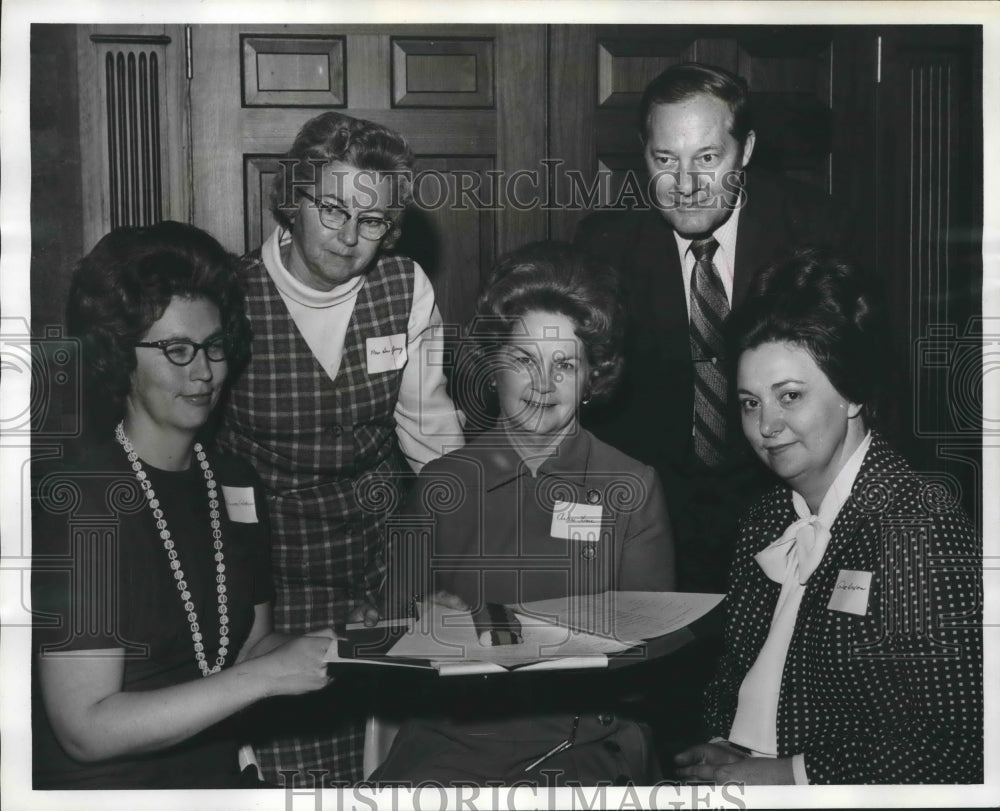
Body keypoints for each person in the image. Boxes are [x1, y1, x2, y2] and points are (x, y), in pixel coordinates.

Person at [31, 221, 337, 789]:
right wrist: (265, 678)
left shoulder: (235, 481)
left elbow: (247, 646)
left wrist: (336, 646)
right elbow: (84, 728)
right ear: (119, 355)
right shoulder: (82, 504)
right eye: (177, 349)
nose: (203, 372)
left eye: (215, 346)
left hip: (216, 777)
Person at [216, 112, 465, 785]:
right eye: (332, 208)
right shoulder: (226, 295)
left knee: (389, 772)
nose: (350, 235)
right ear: (290, 199)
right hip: (267, 586)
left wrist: (453, 570)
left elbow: (433, 440)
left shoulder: (404, 286)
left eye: (374, 220)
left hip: (378, 575)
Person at [372, 241, 676, 785]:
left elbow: (649, 666)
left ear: (593, 378)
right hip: (454, 738)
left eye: (565, 365)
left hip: (583, 740)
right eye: (524, 360)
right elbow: (388, 636)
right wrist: (423, 619)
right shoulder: (443, 484)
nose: (542, 385)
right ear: (494, 367)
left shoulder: (631, 485)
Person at [674, 249, 982, 784]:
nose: (766, 426)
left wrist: (789, 774)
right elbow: (732, 683)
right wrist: (726, 742)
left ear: (853, 393)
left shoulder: (920, 526)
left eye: (789, 396)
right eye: (750, 403)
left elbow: (962, 750)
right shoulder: (765, 518)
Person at [574, 62, 850, 595]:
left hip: (787, 503)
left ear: (745, 151)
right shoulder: (604, 245)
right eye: (665, 160)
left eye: (707, 157)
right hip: (653, 516)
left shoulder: (815, 231)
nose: (685, 186)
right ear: (643, 154)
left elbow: (857, 387)